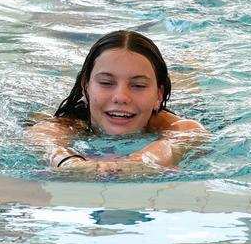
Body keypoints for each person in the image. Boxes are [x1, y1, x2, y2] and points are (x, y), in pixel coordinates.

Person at [27, 30, 206, 174]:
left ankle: (189, 63)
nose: (121, 97)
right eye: (106, 83)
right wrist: (68, 162)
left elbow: (187, 136)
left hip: (184, 102)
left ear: (158, 96)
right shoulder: (67, 124)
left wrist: (143, 161)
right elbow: (44, 138)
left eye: (138, 85)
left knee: (189, 79)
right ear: (85, 87)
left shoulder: (173, 126)